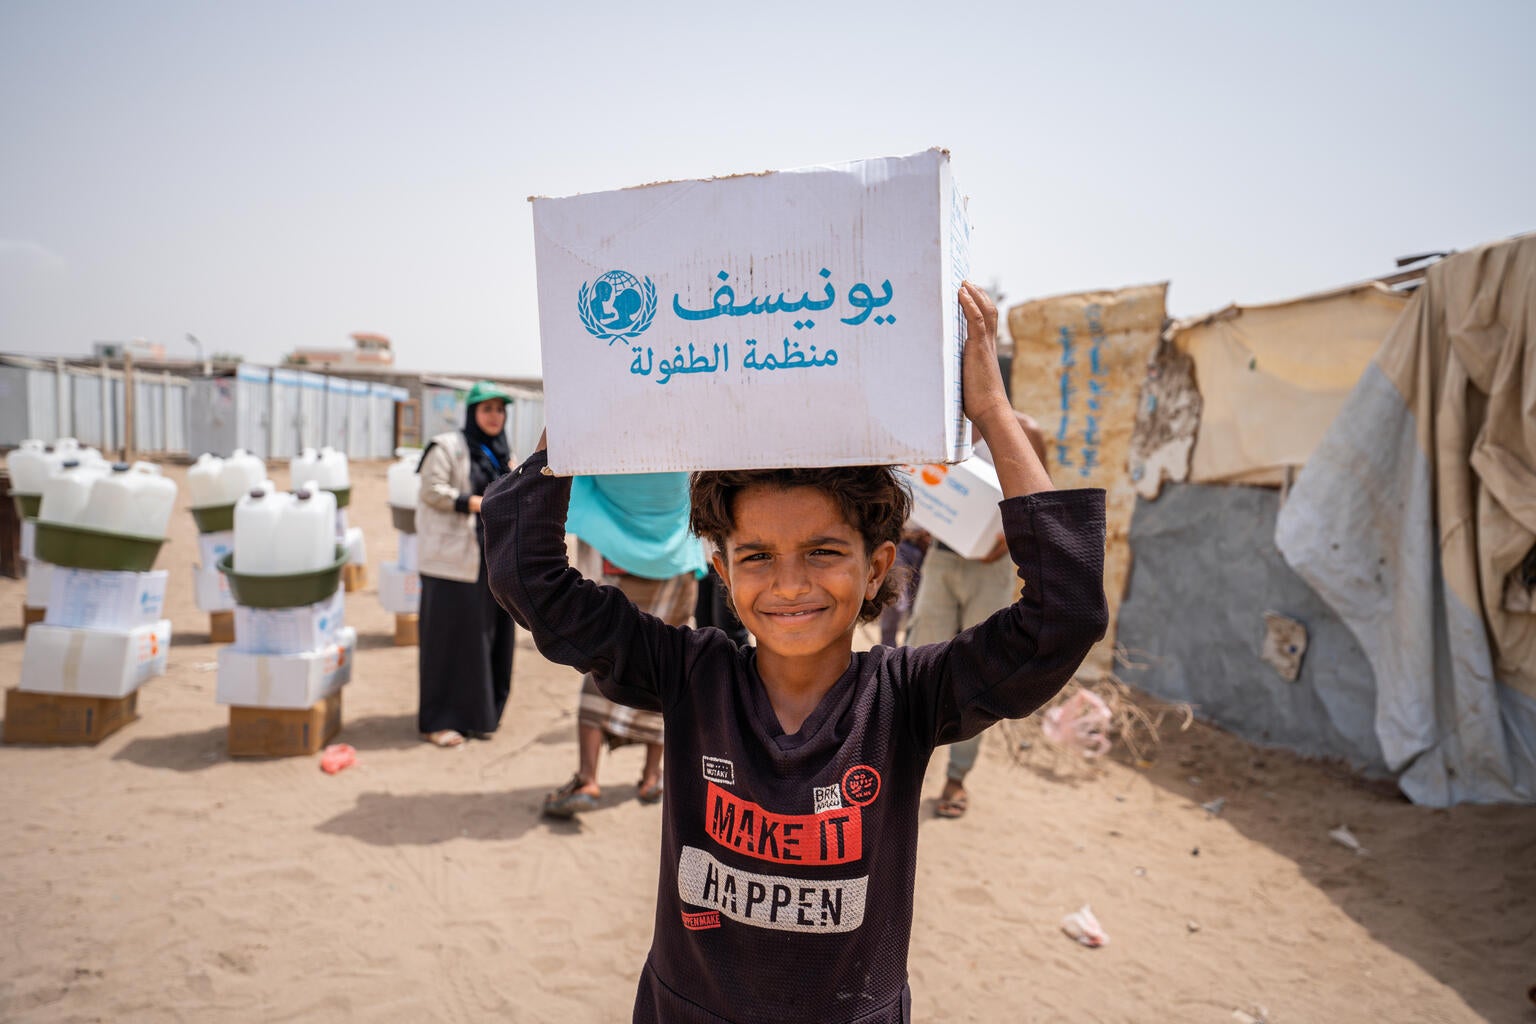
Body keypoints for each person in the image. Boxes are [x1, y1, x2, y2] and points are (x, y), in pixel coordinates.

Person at [482, 283, 1106, 1023]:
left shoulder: (909, 698)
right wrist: (583, 412)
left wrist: (993, 413)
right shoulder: (689, 677)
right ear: (721, 570)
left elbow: (1062, 613)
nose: (788, 585)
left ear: (876, 568)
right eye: (756, 556)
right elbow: (530, 578)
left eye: (823, 552)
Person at [909, 409, 1051, 819]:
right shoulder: (939, 428)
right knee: (920, 664)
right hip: (940, 560)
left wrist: (1006, 542)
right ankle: (907, 768)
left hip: (991, 567)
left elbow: (1040, 499)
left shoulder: (1022, 430)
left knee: (980, 671)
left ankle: (957, 777)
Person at [542, 472, 706, 817]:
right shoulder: (684, 438)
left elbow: (572, 483)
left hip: (614, 559)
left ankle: (588, 779)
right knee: (666, 669)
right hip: (676, 561)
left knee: (602, 659)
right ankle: (651, 777)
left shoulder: (610, 441)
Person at [415, 381, 518, 748]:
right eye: (487, 409)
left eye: (500, 409)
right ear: (473, 413)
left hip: (490, 560)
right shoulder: (447, 447)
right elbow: (431, 490)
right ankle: (438, 720)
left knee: (485, 639)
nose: (494, 416)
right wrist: (476, 503)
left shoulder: (504, 453)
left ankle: (478, 717)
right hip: (450, 562)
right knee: (447, 642)